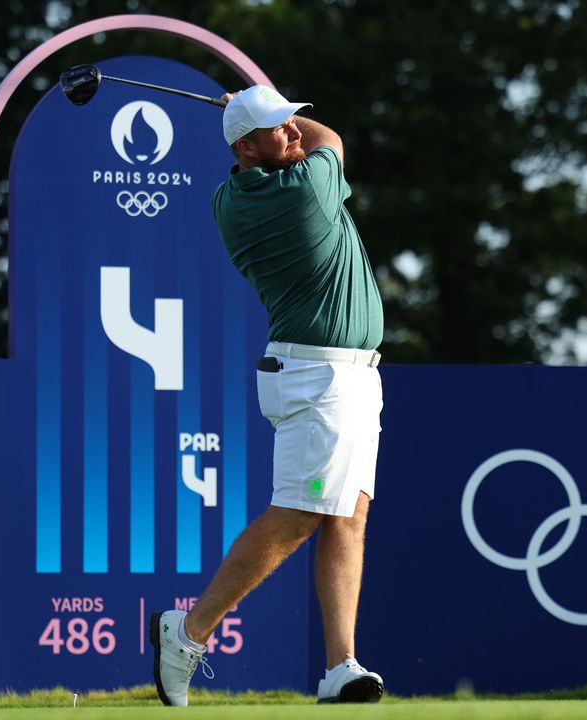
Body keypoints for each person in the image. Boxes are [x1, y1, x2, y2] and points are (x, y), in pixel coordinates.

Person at [148, 85, 386, 707]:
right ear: (249, 148)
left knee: (346, 517)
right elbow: (330, 140)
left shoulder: (227, 198)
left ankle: (342, 667)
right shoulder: (307, 188)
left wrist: (258, 114)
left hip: (347, 375)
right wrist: (251, 105)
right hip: (321, 378)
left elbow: (303, 139)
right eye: (281, 129)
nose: (296, 133)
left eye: (292, 122)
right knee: (302, 513)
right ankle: (188, 632)